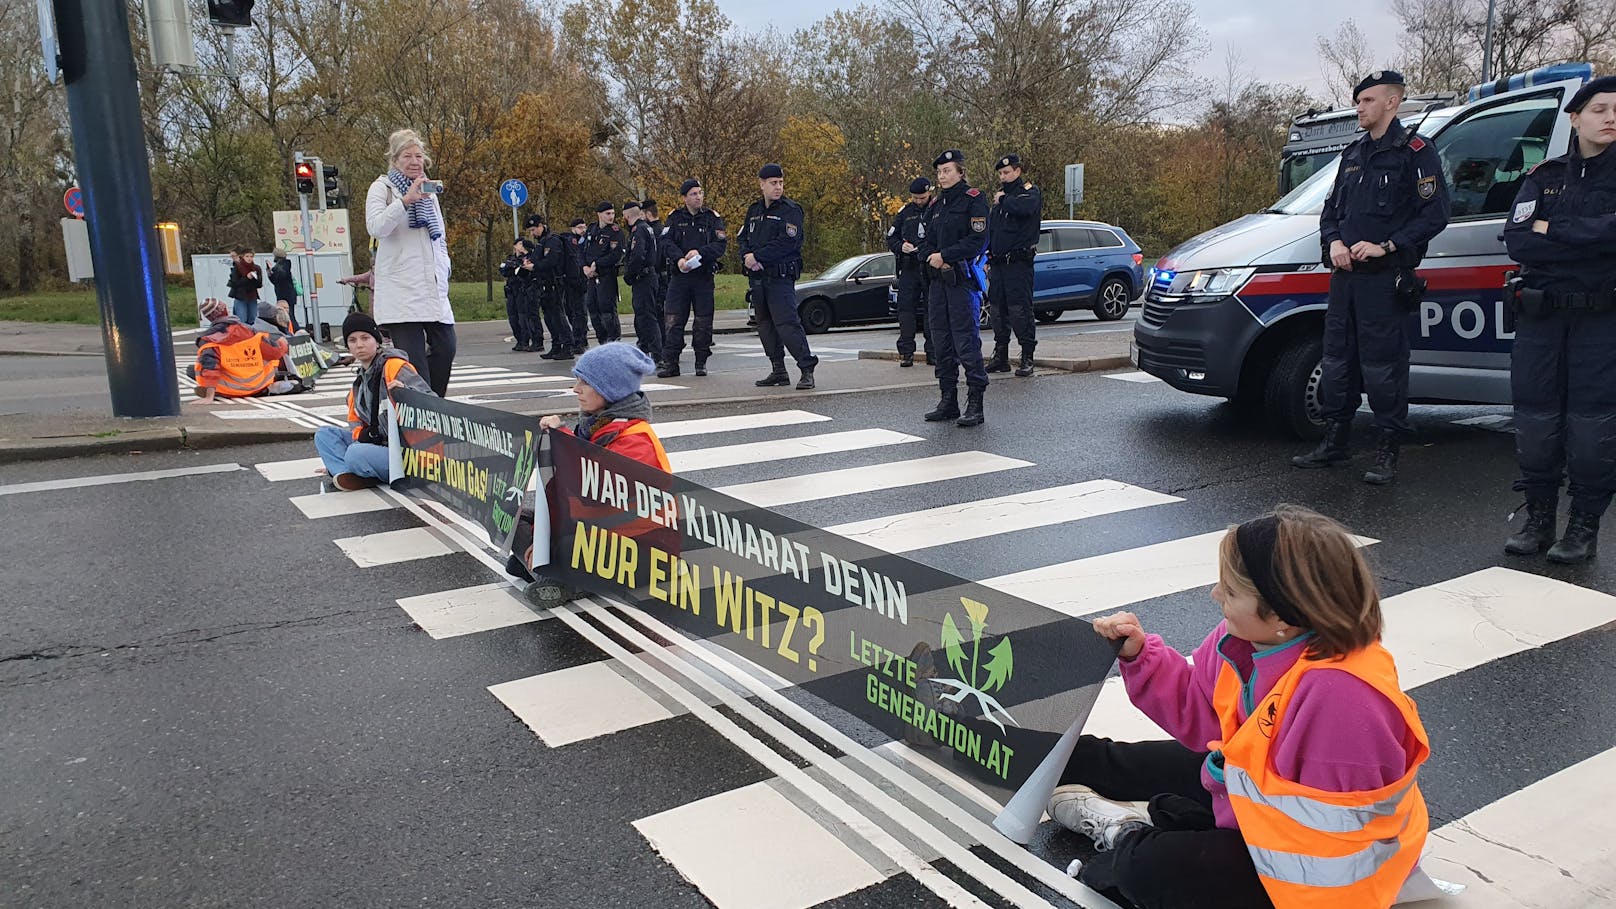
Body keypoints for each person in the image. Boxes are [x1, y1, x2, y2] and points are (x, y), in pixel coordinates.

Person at [1051, 505, 1430, 909]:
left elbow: (1326, 847)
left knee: (1145, 867)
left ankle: (1129, 833)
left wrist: (1214, 836)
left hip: (1311, 873)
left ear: (1282, 613)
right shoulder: (1247, 639)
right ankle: (1047, 760)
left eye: (1230, 591)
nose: (1216, 594)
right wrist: (1139, 654)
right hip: (1256, 803)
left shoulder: (1344, 699)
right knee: (1119, 760)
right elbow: (1199, 710)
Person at [1292, 70, 1450, 484]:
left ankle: (1386, 453)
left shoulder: (1416, 152)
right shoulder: (1354, 154)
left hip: (1385, 280)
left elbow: (1434, 214)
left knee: (1384, 368)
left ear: (1391, 103)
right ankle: (1335, 442)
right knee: (1338, 361)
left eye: (1367, 101)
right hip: (1345, 280)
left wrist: (1390, 245)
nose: (1359, 108)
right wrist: (1334, 244)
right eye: (1358, 101)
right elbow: (1330, 213)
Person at [1500, 76, 1616, 564]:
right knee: (1535, 422)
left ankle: (1583, 527)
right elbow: (1520, 238)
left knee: (1592, 428)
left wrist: (1555, 228)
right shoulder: (1544, 175)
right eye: (1600, 109)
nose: (1611, 118)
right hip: (1542, 319)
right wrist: (1588, 239)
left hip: (1600, 320)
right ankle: (1539, 520)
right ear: (1575, 117)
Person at [512, 342, 670, 606]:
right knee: (514, 516)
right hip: (604, 532)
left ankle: (559, 577)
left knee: (561, 544)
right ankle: (545, 567)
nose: (576, 389)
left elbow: (590, 491)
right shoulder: (598, 426)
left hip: (639, 547)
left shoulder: (635, 441)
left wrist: (560, 437)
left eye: (585, 382)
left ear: (611, 389)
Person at [364, 127, 458, 398]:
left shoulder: (429, 191)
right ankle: (420, 418)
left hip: (432, 288)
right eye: (407, 156)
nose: (415, 161)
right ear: (394, 160)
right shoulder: (382, 188)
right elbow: (376, 227)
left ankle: (433, 404)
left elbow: (438, 235)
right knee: (414, 364)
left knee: (446, 348)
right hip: (402, 292)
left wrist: (445, 266)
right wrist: (405, 201)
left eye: (419, 156)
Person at [313, 312, 434, 491]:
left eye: (365, 338)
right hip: (380, 445)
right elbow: (356, 427)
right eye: (352, 340)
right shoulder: (358, 384)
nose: (359, 345)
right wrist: (362, 436)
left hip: (409, 451)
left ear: (377, 341)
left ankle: (355, 471)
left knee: (355, 453)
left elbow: (432, 402)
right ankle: (348, 473)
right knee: (324, 435)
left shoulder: (394, 366)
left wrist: (406, 393)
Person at [919, 149, 991, 427]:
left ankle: (975, 402)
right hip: (938, 283)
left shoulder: (974, 200)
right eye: (939, 172)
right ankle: (947, 399)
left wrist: (945, 256)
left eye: (947, 171)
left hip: (961, 282)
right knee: (941, 342)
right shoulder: (936, 205)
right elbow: (923, 239)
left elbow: (978, 240)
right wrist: (930, 256)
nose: (942, 176)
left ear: (960, 172)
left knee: (966, 342)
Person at [739, 163, 818, 390]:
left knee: (787, 324)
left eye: (781, 183)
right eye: (773, 183)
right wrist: (746, 255)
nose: (778, 187)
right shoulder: (754, 211)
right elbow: (743, 238)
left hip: (780, 277)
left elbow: (788, 243)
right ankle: (778, 370)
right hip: (758, 278)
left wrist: (757, 256)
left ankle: (806, 368)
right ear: (762, 184)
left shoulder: (790, 210)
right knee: (764, 325)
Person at [658, 178, 727, 378]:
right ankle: (671, 362)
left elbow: (720, 245)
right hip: (680, 276)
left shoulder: (712, 218)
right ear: (684, 198)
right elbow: (665, 241)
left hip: (703, 277)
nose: (698, 197)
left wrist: (700, 252)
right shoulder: (675, 217)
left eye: (700, 193)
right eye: (693, 194)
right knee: (673, 319)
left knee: (703, 321)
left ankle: (701, 361)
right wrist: (679, 258)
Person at [986, 154, 1043, 378]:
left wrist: (1003, 200)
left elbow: (1026, 208)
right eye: (1000, 173)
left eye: (1007, 173)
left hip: (1019, 263)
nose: (1003, 177)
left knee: (1020, 311)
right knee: (997, 311)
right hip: (999, 264)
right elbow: (993, 231)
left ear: (1017, 171)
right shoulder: (1000, 201)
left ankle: (1027, 356)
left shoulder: (1028, 192)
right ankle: (1001, 355)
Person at [189, 297, 291, 403]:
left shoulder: (210, 340)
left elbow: (210, 368)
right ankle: (272, 387)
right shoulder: (250, 331)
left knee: (195, 368)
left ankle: (213, 391)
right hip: (258, 385)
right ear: (225, 311)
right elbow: (275, 353)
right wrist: (283, 345)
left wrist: (209, 397)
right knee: (268, 356)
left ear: (209, 318)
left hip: (230, 390)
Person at [888, 177, 935, 368]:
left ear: (929, 193)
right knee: (906, 310)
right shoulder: (905, 213)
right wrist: (901, 247)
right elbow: (891, 238)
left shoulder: (937, 209)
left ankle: (933, 352)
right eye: (915, 198)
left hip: (930, 266)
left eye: (922, 197)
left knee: (932, 310)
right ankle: (907, 352)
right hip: (909, 268)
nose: (918, 201)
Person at [525, 215, 572, 360]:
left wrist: (534, 266)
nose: (532, 233)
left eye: (534, 229)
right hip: (543, 283)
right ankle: (556, 344)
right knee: (549, 317)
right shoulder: (541, 243)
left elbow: (551, 261)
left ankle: (568, 346)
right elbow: (537, 259)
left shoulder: (553, 240)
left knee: (558, 315)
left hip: (554, 282)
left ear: (541, 226)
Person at [622, 200, 663, 363]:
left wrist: (629, 274)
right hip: (648, 277)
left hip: (643, 278)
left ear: (626, 215)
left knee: (647, 317)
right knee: (644, 316)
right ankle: (647, 349)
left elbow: (637, 255)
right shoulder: (646, 228)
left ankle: (657, 355)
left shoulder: (639, 230)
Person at [583, 201, 624, 344]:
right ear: (599, 214)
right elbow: (582, 251)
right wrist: (585, 267)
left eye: (613, 213)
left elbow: (615, 255)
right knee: (592, 307)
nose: (611, 216)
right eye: (608, 214)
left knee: (607, 309)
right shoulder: (591, 229)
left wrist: (597, 265)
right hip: (591, 277)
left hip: (606, 275)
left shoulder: (615, 231)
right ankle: (602, 340)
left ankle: (613, 340)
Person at [498, 237, 538, 352]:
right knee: (513, 318)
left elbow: (521, 271)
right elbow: (504, 270)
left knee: (522, 317)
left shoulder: (527, 258)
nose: (521, 246)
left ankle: (525, 340)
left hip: (521, 290)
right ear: (515, 246)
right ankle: (519, 340)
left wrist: (515, 268)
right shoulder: (510, 258)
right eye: (519, 244)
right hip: (511, 291)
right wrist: (513, 268)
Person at [562, 218, 591, 355]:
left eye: (584, 227)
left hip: (581, 281)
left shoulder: (585, 241)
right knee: (571, 311)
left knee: (579, 313)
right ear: (573, 228)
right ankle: (577, 338)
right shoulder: (569, 241)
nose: (583, 230)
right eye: (580, 227)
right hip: (570, 281)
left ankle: (580, 340)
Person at [643, 198, 669, 319]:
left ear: (648, 214)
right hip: (665, 276)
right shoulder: (663, 230)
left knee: (657, 314)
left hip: (657, 277)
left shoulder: (651, 232)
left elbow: (655, 258)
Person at [226, 246, 263, 326]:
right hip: (240, 296)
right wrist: (247, 278)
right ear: (242, 257)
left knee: (253, 319)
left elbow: (259, 284)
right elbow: (235, 283)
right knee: (242, 319)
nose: (249, 258)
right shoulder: (238, 267)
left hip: (252, 296)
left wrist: (255, 278)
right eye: (247, 256)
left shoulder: (256, 268)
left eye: (251, 256)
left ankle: (252, 336)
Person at [268, 248, 300, 333]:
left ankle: (296, 331)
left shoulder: (284, 265)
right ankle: (294, 331)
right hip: (286, 294)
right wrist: (270, 274)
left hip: (285, 295)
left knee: (289, 315)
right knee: (289, 315)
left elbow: (280, 277)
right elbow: (276, 281)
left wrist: (273, 271)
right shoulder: (283, 265)